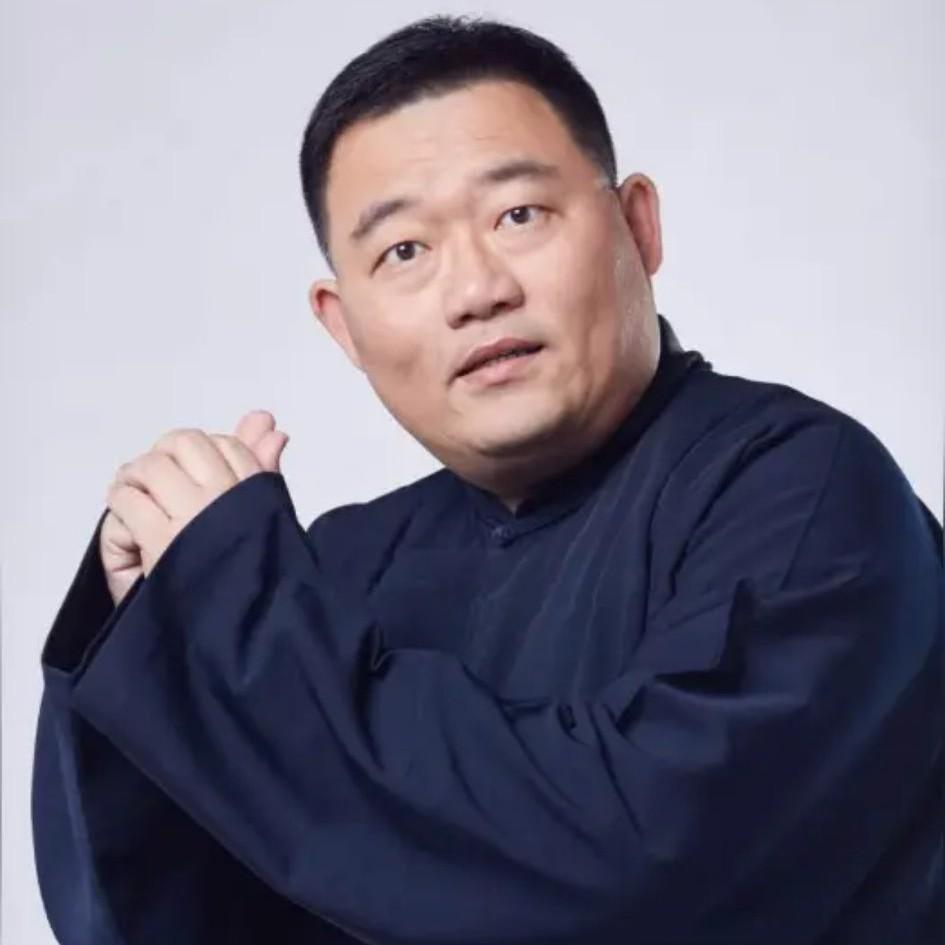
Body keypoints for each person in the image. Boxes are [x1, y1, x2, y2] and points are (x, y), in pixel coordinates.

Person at [31, 13, 943, 945]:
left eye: (518, 215)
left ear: (637, 226)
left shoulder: (802, 489)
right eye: (404, 251)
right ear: (343, 326)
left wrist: (244, 616)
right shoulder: (341, 564)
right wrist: (157, 620)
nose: (476, 290)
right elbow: (158, 924)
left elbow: (626, 874)